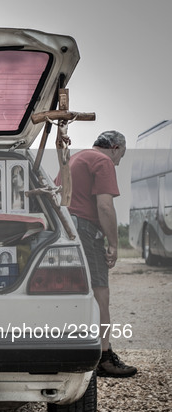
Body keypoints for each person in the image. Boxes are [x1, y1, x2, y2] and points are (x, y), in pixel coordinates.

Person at [57, 131, 137, 378]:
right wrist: (114, 244)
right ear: (114, 148)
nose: (117, 163)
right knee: (101, 292)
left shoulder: (77, 158)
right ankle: (104, 356)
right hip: (84, 228)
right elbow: (104, 206)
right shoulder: (102, 161)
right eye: (119, 157)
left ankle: (70, 349)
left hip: (64, 227)